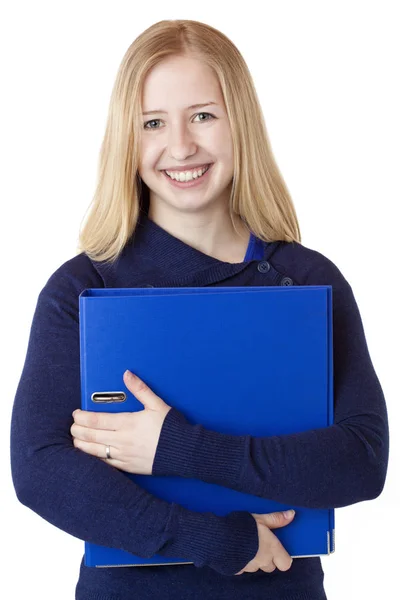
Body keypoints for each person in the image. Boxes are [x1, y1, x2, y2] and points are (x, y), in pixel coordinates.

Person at [10, 19, 389, 600]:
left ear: (241, 124)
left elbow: (361, 460)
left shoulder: (308, 282)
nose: (181, 146)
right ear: (126, 140)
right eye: (154, 123)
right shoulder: (80, 289)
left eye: (204, 116)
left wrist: (176, 448)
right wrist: (216, 540)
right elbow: (41, 470)